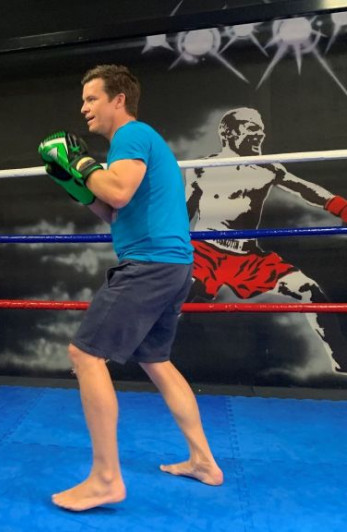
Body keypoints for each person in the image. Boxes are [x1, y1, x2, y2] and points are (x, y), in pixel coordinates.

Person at [38, 64, 223, 512]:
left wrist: (82, 164)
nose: (84, 108)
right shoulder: (132, 146)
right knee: (156, 361)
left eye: (92, 99)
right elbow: (114, 211)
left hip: (151, 264)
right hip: (172, 264)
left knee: (85, 354)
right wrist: (77, 185)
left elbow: (118, 191)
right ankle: (204, 461)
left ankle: (105, 479)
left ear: (118, 100)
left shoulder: (132, 135)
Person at [186, 107, 347, 374]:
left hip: (249, 258)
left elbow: (306, 189)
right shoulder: (201, 168)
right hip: (205, 252)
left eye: (261, 128)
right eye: (252, 127)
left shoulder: (267, 168)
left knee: (309, 291)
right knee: (176, 295)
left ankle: (342, 360)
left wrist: (341, 207)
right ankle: (121, 347)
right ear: (228, 132)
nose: (260, 134)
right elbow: (184, 210)